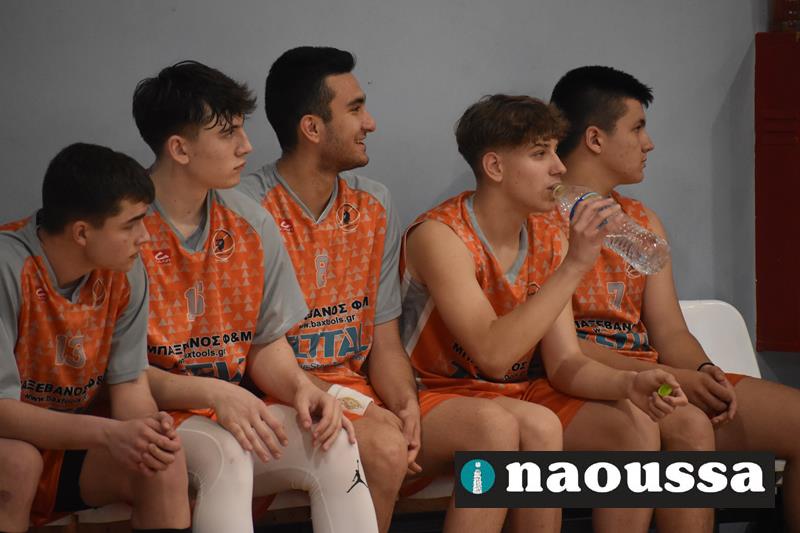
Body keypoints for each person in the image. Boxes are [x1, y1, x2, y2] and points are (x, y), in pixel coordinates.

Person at [401, 94, 687, 533]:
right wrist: (575, 265)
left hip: (519, 392)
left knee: (633, 427)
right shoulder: (440, 236)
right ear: (495, 167)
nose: (559, 167)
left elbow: (566, 363)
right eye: (540, 153)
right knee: (519, 427)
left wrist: (630, 382)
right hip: (435, 395)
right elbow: (493, 355)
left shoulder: (549, 234)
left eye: (555, 150)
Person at [549, 64, 800, 533]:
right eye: (637, 128)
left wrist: (703, 371)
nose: (649, 144)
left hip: (662, 378)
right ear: (595, 138)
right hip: (587, 385)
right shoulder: (540, 219)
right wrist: (671, 379)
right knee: (688, 424)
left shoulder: (643, 221)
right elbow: (559, 352)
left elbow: (669, 331)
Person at [132, 60, 377, 533]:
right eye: (228, 134)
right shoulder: (125, 229)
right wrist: (215, 392)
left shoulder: (251, 222)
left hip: (229, 406)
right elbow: (119, 376)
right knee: (225, 454)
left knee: (336, 443)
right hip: (150, 419)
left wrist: (303, 389)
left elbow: (266, 343)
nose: (246, 146)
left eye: (242, 129)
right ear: (179, 148)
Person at [237, 46, 421, 533]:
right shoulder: (245, 207)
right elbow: (257, 355)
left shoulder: (374, 202)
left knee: (492, 432)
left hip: (357, 391)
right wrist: (363, 410)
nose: (370, 123)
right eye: (355, 109)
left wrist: (405, 403)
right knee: (384, 447)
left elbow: (384, 339)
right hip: (279, 395)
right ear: (312, 128)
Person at [0, 143, 191, 533]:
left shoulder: (124, 271)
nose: (145, 237)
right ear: (82, 233)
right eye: (131, 224)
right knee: (18, 463)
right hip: (11, 440)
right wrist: (109, 434)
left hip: (66, 439)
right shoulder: (9, 267)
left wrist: (147, 432)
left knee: (160, 463)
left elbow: (129, 383)